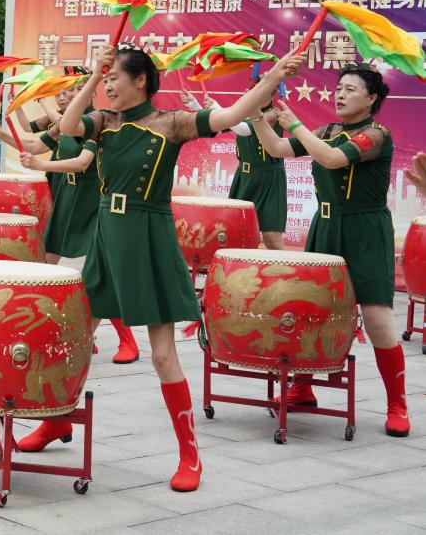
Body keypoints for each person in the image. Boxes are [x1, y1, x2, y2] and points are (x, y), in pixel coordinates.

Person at [17, 45, 302, 492]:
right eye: (106, 79)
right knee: (75, 338)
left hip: (148, 236)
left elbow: (230, 116)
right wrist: (92, 78)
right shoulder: (105, 121)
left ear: (141, 80)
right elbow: (68, 126)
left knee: (163, 354)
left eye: (115, 78)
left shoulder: (171, 123)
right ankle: (56, 421)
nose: (109, 85)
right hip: (106, 235)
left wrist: (272, 78)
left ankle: (190, 454)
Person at [250, 62, 410, 437]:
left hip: (365, 230)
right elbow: (276, 148)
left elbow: (331, 159)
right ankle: (303, 389)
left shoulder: (377, 134)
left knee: (377, 318)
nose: (340, 94)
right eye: (339, 88)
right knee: (311, 310)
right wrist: (257, 112)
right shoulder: (327, 130)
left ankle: (398, 404)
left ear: (371, 99)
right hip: (325, 226)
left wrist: (294, 123)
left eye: (350, 89)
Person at [0, 73, 140, 364]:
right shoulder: (63, 124)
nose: (63, 96)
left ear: (88, 93)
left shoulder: (95, 122)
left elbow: (82, 164)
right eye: (61, 92)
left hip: (94, 202)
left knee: (102, 273)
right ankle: (49, 330)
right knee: (44, 266)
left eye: (70, 91)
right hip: (68, 199)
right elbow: (34, 146)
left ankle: (125, 341)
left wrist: (40, 163)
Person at [180, 84, 286, 249]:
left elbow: (243, 129)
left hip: (269, 179)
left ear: (272, 95)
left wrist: (216, 107)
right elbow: (218, 127)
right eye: (255, 92)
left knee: (271, 238)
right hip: (244, 178)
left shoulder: (273, 115)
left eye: (262, 92)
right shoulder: (243, 111)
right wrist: (195, 104)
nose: (257, 96)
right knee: (238, 232)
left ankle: (281, 266)